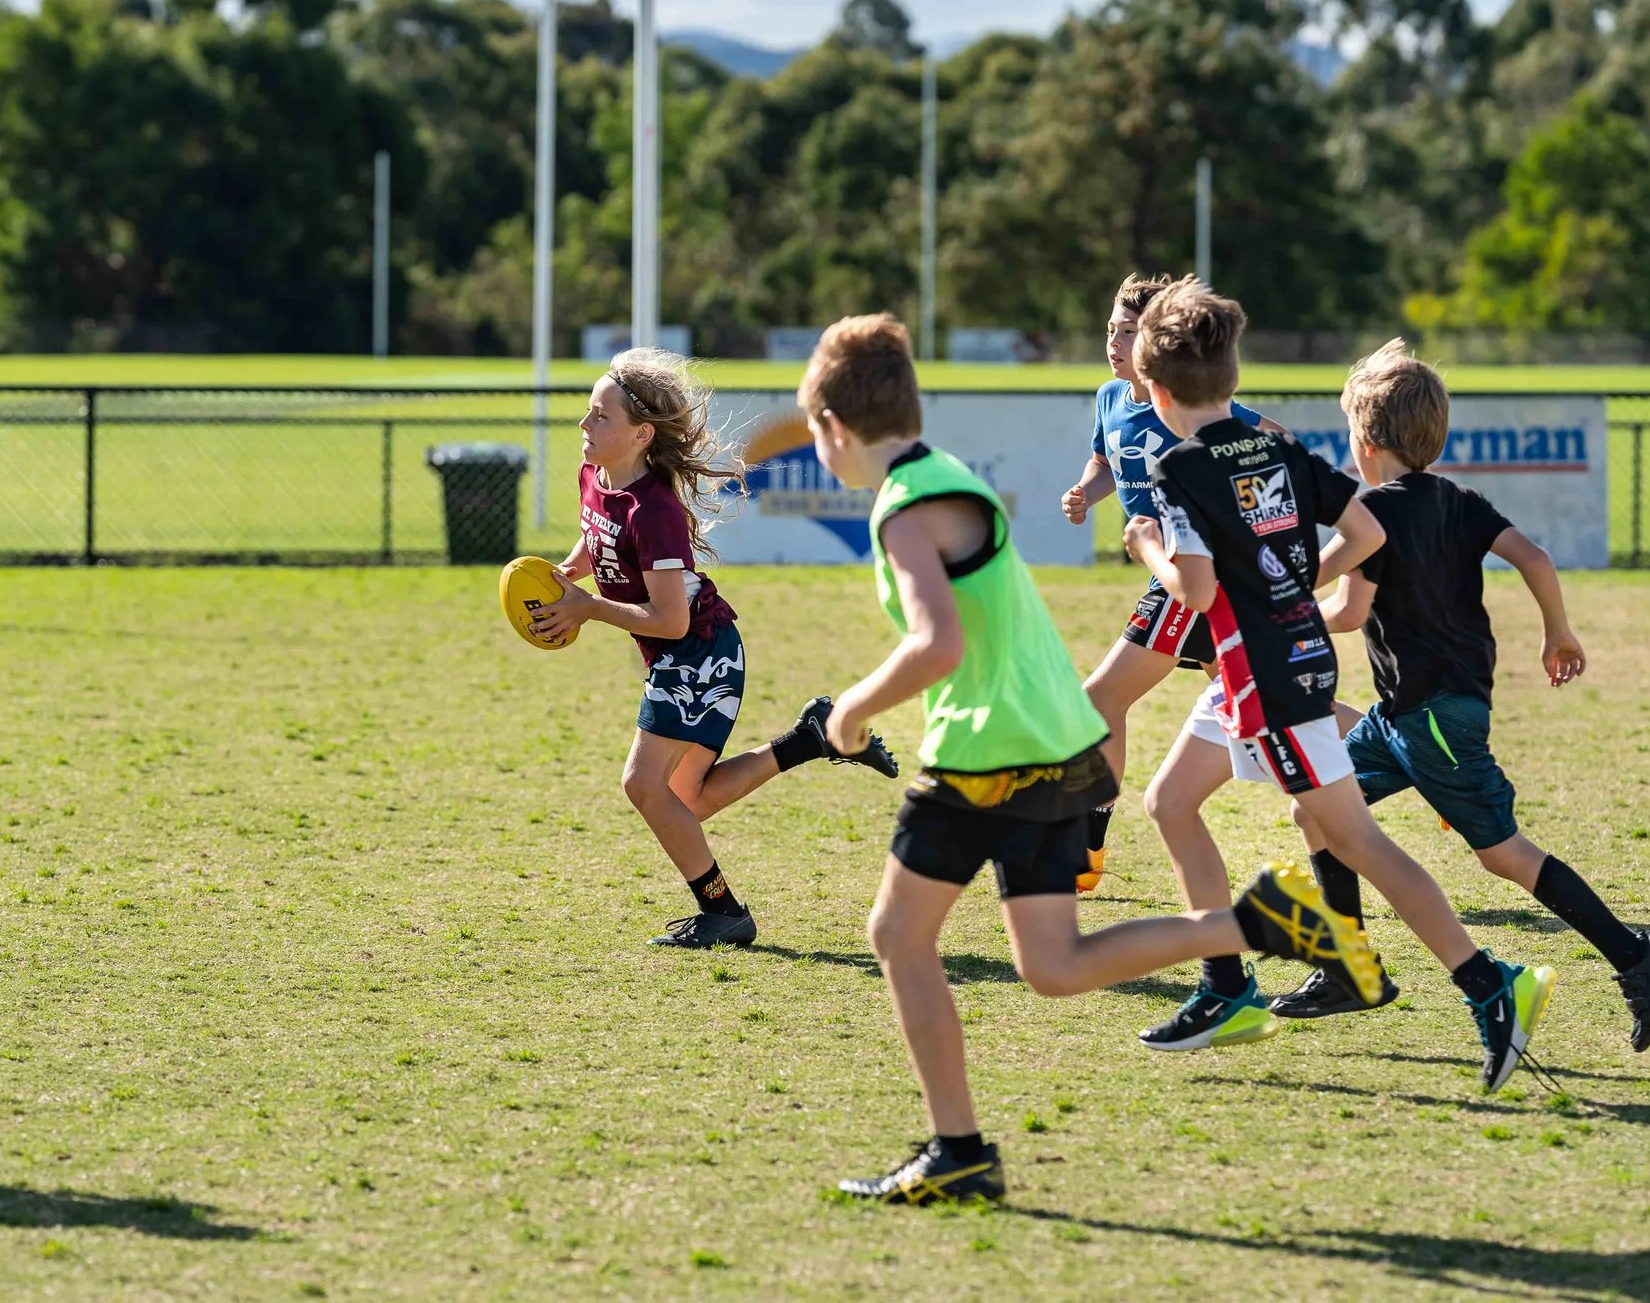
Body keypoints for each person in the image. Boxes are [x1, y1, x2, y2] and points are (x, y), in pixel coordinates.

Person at [802, 314, 1379, 1206]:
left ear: (835, 429)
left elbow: (937, 642)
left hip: (983, 750)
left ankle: (957, 1151)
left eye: (814, 432)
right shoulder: (947, 474)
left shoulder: (903, 509)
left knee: (896, 936)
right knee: (1053, 964)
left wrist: (849, 710)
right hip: (1058, 740)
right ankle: (1264, 922)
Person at [1127, 280, 1554, 1093]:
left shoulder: (1177, 467)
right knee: (1169, 800)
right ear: (1232, 375)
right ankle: (1226, 987)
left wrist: (1146, 540)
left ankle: (1491, 984)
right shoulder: (1277, 448)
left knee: (1357, 840)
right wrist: (1288, 588)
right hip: (1278, 667)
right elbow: (1367, 529)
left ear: (1156, 390)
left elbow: (1190, 588)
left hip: (1267, 681)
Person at [1272, 340, 1650, 1049]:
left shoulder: (1373, 513)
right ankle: (1345, 966)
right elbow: (1534, 555)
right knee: (1317, 808)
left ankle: (1637, 954)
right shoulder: (1456, 501)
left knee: (1504, 854)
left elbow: (1328, 598)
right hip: (1406, 716)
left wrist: (1266, 584)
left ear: (1364, 442)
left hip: (1433, 718)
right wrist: (1558, 632)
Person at [528, 349, 897, 951]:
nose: (584, 426)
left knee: (644, 787)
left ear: (640, 434)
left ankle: (723, 913)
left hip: (700, 652)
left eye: (600, 416)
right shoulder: (593, 477)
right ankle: (811, 738)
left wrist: (587, 608)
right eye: (588, 412)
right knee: (687, 799)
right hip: (684, 654)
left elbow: (670, 621)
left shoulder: (657, 512)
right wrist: (564, 575)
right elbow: (598, 541)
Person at [1059, 275, 1267, 894]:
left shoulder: (1183, 399)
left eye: (1127, 333)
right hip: (1175, 571)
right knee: (1267, 712)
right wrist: (1086, 492)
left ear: (1156, 341)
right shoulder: (1109, 398)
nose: (1114, 344)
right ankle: (1403, 752)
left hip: (1190, 572)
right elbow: (1106, 459)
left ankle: (1085, 849)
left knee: (1100, 699)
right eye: (1110, 332)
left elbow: (1266, 436)